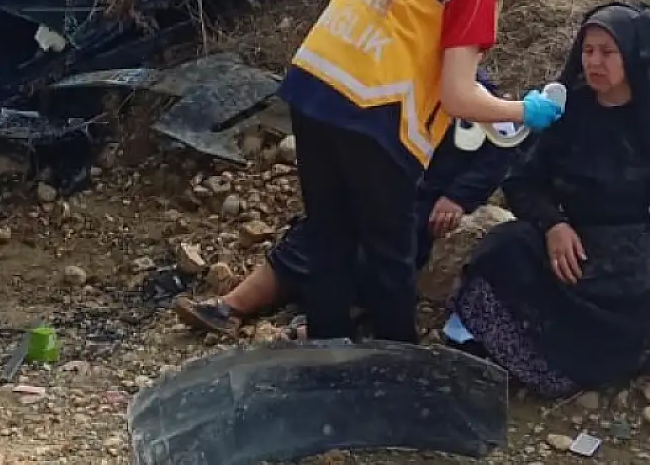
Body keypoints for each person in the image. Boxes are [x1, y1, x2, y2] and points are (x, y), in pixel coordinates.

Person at [279, 0, 560, 344]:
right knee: (391, 255)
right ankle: (397, 373)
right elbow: (458, 95)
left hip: (314, 87)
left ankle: (323, 360)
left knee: (329, 239)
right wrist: (523, 112)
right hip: (376, 115)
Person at [445, 2, 650, 398]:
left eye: (608, 52)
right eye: (588, 51)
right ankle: (525, 352)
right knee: (505, 247)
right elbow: (522, 178)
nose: (594, 62)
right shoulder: (567, 109)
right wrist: (553, 224)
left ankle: (573, 355)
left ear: (635, 54)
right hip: (576, 258)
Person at [174, 72, 518, 337]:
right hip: (381, 181)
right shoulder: (398, 81)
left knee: (390, 246)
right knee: (321, 228)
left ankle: (341, 323)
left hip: (425, 199)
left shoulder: (480, 96)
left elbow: (502, 148)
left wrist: (459, 196)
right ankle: (231, 307)